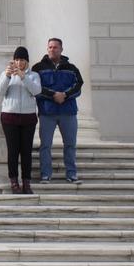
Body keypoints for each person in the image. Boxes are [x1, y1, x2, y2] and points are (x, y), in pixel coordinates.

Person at [33, 37, 84, 184]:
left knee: (70, 144)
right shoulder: (38, 68)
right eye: (49, 47)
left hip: (68, 112)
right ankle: (45, 175)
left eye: (55, 47)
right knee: (45, 145)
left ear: (61, 49)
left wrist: (65, 95)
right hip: (47, 112)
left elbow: (78, 86)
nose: (52, 49)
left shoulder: (72, 68)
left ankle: (72, 174)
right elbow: (36, 88)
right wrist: (53, 95)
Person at [0, 46, 40, 194]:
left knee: (26, 151)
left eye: (22, 60)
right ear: (13, 60)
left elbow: (36, 90)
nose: (19, 63)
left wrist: (23, 76)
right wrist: (7, 77)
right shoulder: (6, 74)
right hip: (9, 116)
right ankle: (14, 182)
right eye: (17, 59)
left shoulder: (33, 75)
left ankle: (26, 182)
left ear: (27, 61)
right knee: (13, 151)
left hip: (28, 117)